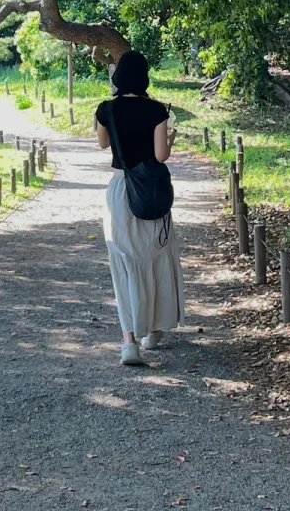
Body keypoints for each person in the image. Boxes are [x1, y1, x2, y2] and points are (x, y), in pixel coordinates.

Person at [95, 49, 184, 366]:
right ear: (144, 77)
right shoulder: (157, 110)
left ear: (118, 77)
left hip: (121, 191)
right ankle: (155, 331)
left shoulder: (106, 110)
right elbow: (160, 156)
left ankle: (129, 342)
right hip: (151, 192)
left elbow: (103, 144)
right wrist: (169, 142)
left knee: (124, 262)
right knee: (156, 256)